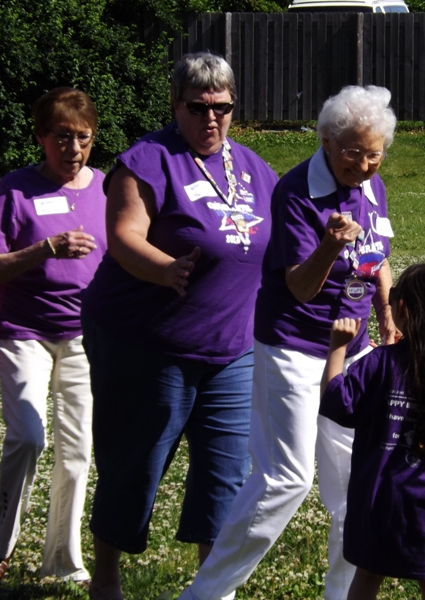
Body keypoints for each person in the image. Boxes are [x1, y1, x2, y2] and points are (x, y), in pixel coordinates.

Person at [178, 84, 399, 600]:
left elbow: (378, 254)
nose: (365, 165)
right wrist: (329, 245)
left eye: (374, 154)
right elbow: (299, 287)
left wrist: (386, 313)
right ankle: (205, 594)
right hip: (294, 348)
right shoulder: (296, 192)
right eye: (353, 153)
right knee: (286, 479)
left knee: (357, 484)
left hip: (354, 353)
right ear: (326, 141)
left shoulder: (372, 185)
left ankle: (342, 595)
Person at [81, 52, 277, 600]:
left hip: (232, 350)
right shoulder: (147, 160)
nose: (211, 118)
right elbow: (124, 236)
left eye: (222, 107)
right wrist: (165, 269)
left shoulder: (255, 170)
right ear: (176, 106)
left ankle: (211, 588)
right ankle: (107, 576)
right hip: (149, 343)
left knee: (226, 474)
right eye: (198, 107)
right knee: (135, 464)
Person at [0, 87, 106, 584]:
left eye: (83, 138)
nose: (74, 149)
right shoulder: (15, 188)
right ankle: (1, 544)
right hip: (23, 331)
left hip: (84, 336)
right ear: (41, 138)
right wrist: (45, 248)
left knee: (78, 450)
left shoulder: (107, 188)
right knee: (29, 436)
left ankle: (64, 562)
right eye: (63, 137)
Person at [320, 262, 425, 600]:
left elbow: (336, 404)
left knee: (368, 574)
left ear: (401, 308)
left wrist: (337, 347)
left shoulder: (379, 362)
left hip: (380, 497)